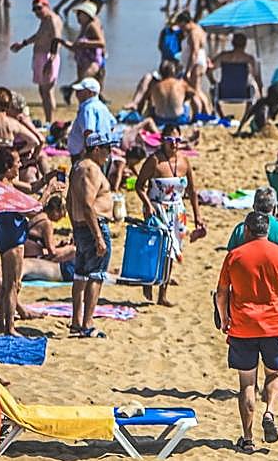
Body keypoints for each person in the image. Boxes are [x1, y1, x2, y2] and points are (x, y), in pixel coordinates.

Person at [215, 211, 278, 452]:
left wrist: (224, 319)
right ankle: (270, 412)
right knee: (273, 375)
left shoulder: (235, 256)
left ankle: (247, 437)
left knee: (247, 384)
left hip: (243, 326)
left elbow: (221, 292)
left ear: (247, 230)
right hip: (274, 325)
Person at [0, 146, 60, 335]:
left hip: (3, 235)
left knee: (6, 284)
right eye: (16, 162)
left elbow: (30, 188)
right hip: (12, 238)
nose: (20, 164)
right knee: (13, 285)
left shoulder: (3, 183)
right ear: (7, 166)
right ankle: (10, 327)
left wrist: (47, 178)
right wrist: (49, 192)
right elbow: (31, 211)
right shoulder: (7, 188)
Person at [133, 124, 205, 306]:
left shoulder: (184, 162)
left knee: (172, 251)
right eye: (170, 140)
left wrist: (198, 216)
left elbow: (192, 190)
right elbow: (139, 186)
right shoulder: (154, 161)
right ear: (163, 141)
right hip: (157, 209)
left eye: (177, 141)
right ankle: (148, 281)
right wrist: (147, 205)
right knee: (156, 248)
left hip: (177, 210)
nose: (174, 144)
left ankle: (162, 293)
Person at [67, 129, 117, 338]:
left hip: (81, 227)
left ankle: (77, 321)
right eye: (107, 149)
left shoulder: (77, 166)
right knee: (95, 275)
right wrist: (98, 236)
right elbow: (87, 205)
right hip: (93, 226)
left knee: (80, 275)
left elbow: (70, 202)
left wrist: (75, 226)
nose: (109, 154)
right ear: (96, 149)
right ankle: (87, 323)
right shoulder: (91, 169)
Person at [9, 0, 63, 123]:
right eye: (34, 10)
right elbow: (39, 36)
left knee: (47, 90)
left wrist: (51, 60)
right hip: (40, 57)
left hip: (48, 57)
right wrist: (23, 44)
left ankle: (50, 121)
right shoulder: (44, 20)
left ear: (46, 5)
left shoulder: (53, 20)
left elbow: (56, 39)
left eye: (39, 8)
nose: (37, 12)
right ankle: (49, 119)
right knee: (42, 90)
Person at [208, 32, 262, 118]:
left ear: (232, 43)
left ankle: (222, 116)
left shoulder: (223, 56)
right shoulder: (249, 59)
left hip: (224, 92)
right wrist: (261, 88)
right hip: (243, 92)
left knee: (212, 90)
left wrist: (213, 81)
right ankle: (246, 116)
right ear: (245, 44)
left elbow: (209, 70)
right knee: (253, 88)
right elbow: (256, 76)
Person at [66, 76, 117, 161]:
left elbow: (88, 131)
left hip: (85, 152)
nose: (76, 93)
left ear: (90, 93)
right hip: (103, 148)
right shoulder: (102, 106)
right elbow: (112, 124)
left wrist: (86, 151)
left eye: (80, 91)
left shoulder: (87, 108)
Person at [58, 1, 106, 89]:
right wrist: (61, 41)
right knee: (83, 85)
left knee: (85, 83)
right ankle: (68, 91)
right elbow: (75, 47)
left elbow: (101, 43)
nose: (77, 17)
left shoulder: (92, 25)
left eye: (80, 14)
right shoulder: (84, 26)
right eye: (77, 14)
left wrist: (85, 43)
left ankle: (68, 90)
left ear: (87, 15)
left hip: (92, 60)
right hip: (82, 60)